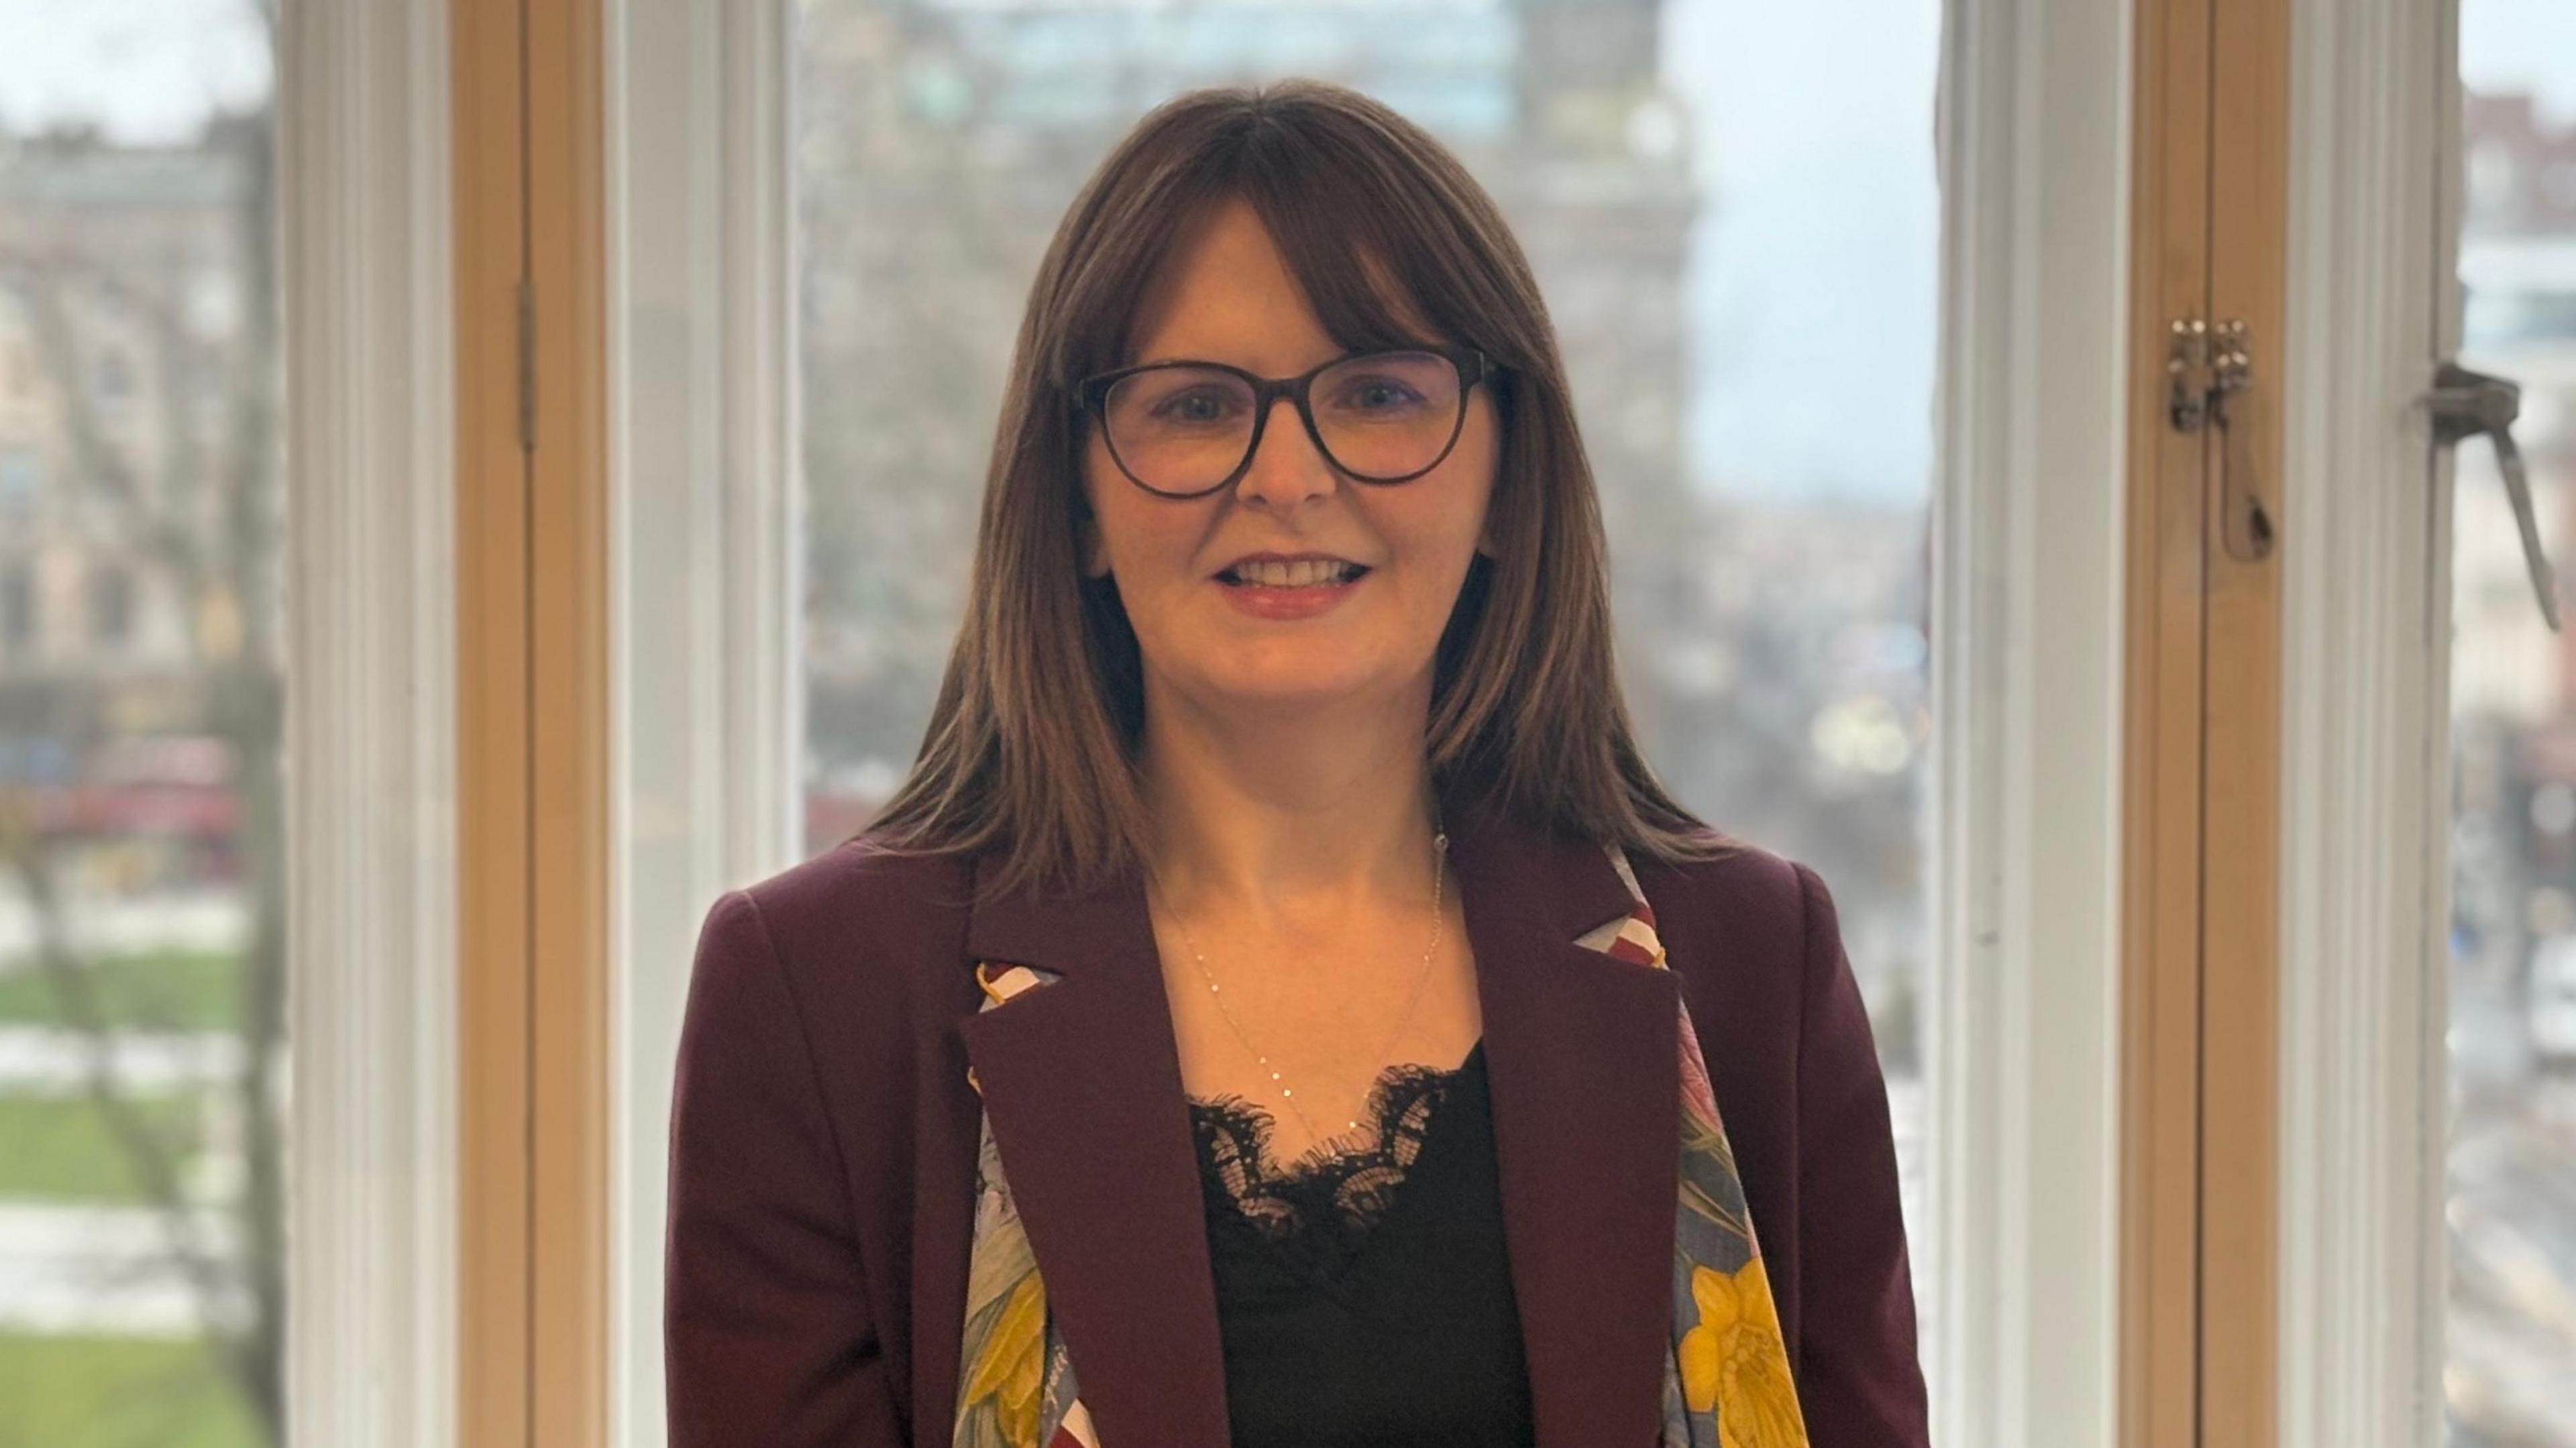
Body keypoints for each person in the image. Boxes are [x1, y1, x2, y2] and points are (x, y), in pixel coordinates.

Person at [665, 78, 1927, 1448]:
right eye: (1199, 406)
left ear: (1505, 475)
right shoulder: (816, 996)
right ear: (1079, 498)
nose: (1286, 474)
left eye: (1377, 392)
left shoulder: (1752, 961)